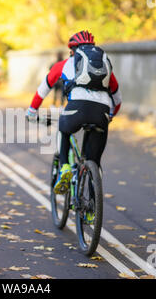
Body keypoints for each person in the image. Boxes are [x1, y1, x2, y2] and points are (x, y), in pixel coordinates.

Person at [26, 30, 122, 195]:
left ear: (72, 51)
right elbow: (117, 98)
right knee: (94, 161)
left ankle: (64, 167)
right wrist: (111, 115)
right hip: (102, 112)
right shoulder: (104, 68)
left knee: (64, 130)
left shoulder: (64, 64)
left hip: (76, 108)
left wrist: (32, 112)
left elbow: (43, 90)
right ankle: (92, 208)